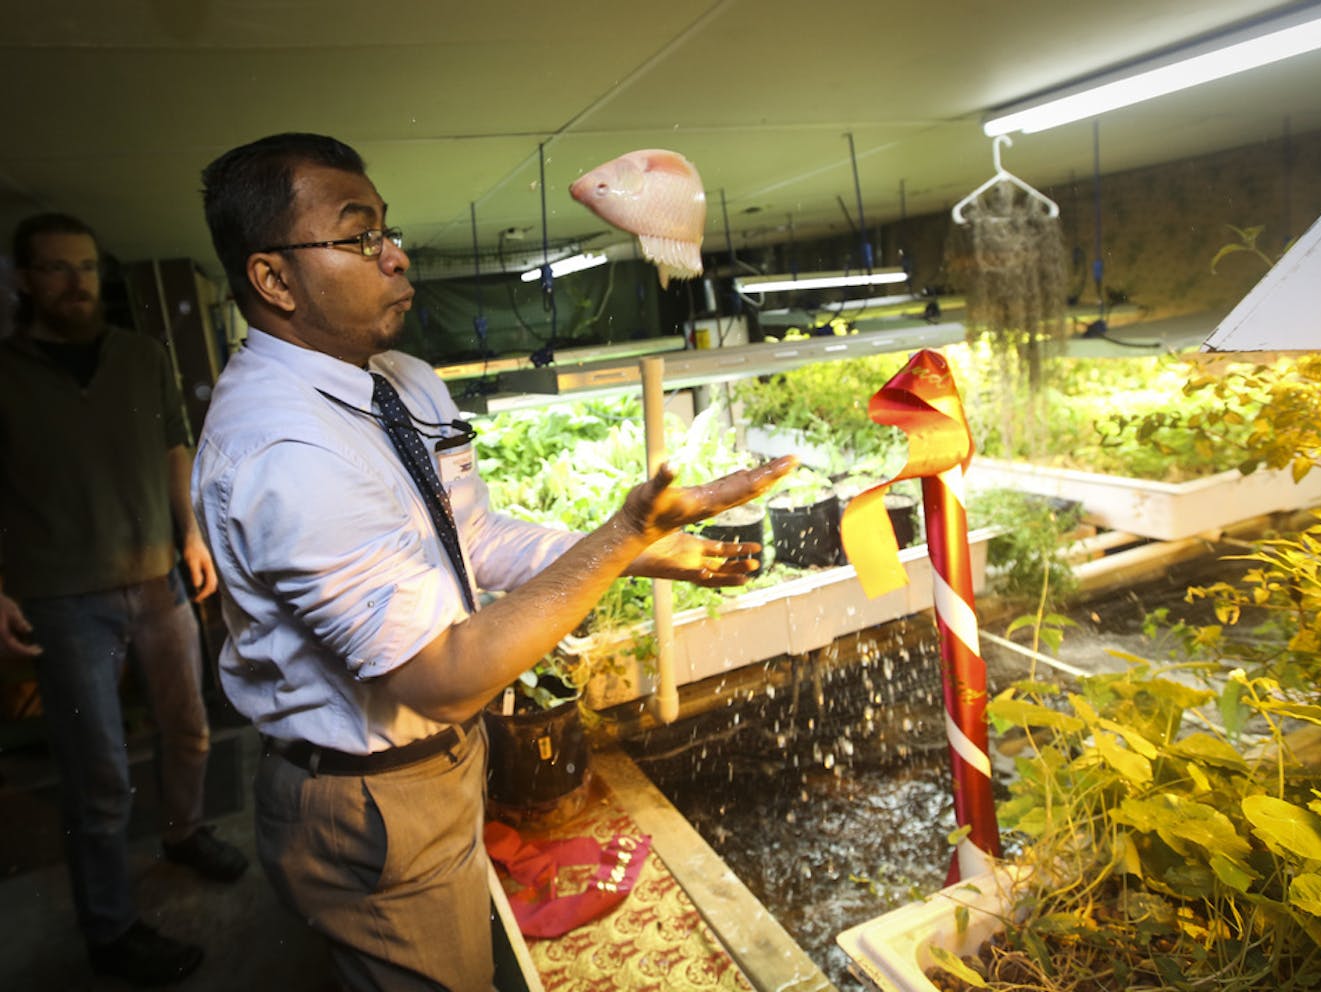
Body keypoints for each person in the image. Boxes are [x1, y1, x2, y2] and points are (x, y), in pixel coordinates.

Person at [193, 131, 792, 992]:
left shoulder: (398, 381)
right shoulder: (282, 450)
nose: (396, 256)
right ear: (274, 278)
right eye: (359, 236)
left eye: (386, 231)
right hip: (371, 798)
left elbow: (469, 538)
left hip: (435, 768)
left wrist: (643, 552)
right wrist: (619, 539)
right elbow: (440, 678)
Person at [0, 213, 250, 986]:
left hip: (158, 576)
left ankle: (182, 833)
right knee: (98, 770)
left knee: (191, 728)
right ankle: (109, 929)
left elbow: (174, 443)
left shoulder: (142, 356)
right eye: (56, 269)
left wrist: (193, 534)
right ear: (24, 279)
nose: (76, 283)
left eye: (85, 268)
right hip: (62, 596)